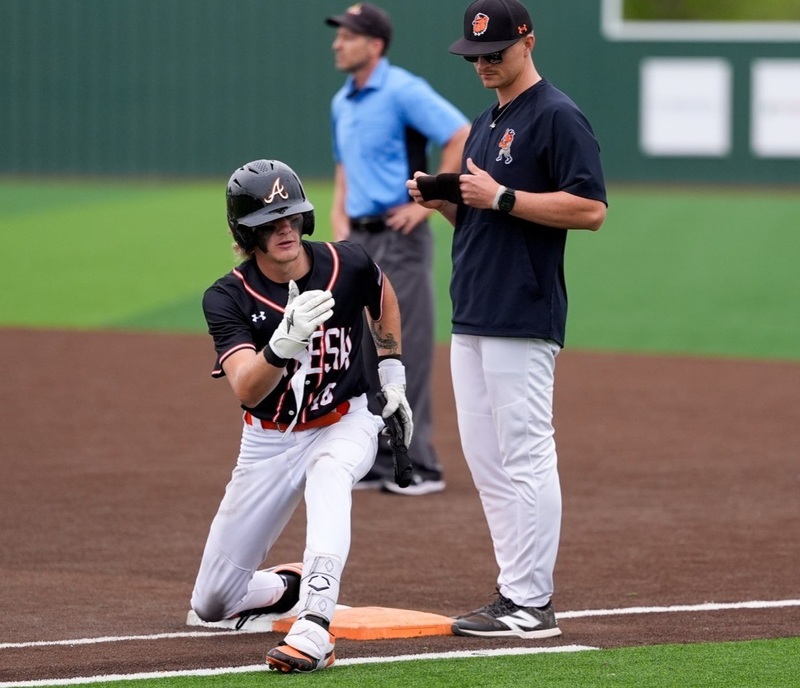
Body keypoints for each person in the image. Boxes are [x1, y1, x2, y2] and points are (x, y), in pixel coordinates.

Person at [407, 0, 607, 638]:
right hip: (474, 312)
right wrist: (446, 199)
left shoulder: (556, 115)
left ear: (528, 42)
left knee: (524, 454)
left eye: (495, 52)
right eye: (476, 56)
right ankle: (513, 590)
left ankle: (534, 601)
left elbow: (591, 208)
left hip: (522, 312)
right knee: (487, 461)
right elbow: (480, 222)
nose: (485, 64)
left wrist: (504, 195)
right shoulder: (487, 120)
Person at [190, 159, 413, 673]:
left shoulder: (346, 263)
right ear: (246, 233)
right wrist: (282, 345)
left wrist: (394, 373)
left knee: (330, 474)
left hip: (343, 420)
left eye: (291, 215)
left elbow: (382, 296)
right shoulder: (227, 297)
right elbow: (247, 389)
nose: (285, 227)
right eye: (270, 221)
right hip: (267, 442)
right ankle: (290, 586)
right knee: (211, 605)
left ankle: (316, 624)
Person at [326, 2, 471, 495]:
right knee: (362, 348)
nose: (337, 43)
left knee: (403, 350)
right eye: (339, 35)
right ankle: (376, 459)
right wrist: (339, 212)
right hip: (359, 239)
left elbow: (459, 132)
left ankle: (421, 463)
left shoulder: (402, 89)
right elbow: (344, 164)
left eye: (347, 35)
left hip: (399, 236)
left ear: (375, 44)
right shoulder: (342, 101)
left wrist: (430, 201)